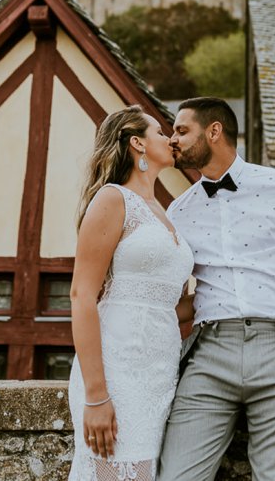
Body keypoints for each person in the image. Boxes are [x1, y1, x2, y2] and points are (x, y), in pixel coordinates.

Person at [156, 97, 275, 481]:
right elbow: (171, 295)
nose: (173, 140)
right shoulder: (178, 211)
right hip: (207, 352)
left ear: (214, 131)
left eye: (181, 130)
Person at [68, 105, 195, 479]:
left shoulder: (164, 210)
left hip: (159, 372)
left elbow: (169, 306)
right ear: (137, 143)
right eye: (161, 132)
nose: (171, 138)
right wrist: (96, 395)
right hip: (117, 370)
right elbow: (82, 296)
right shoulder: (112, 199)